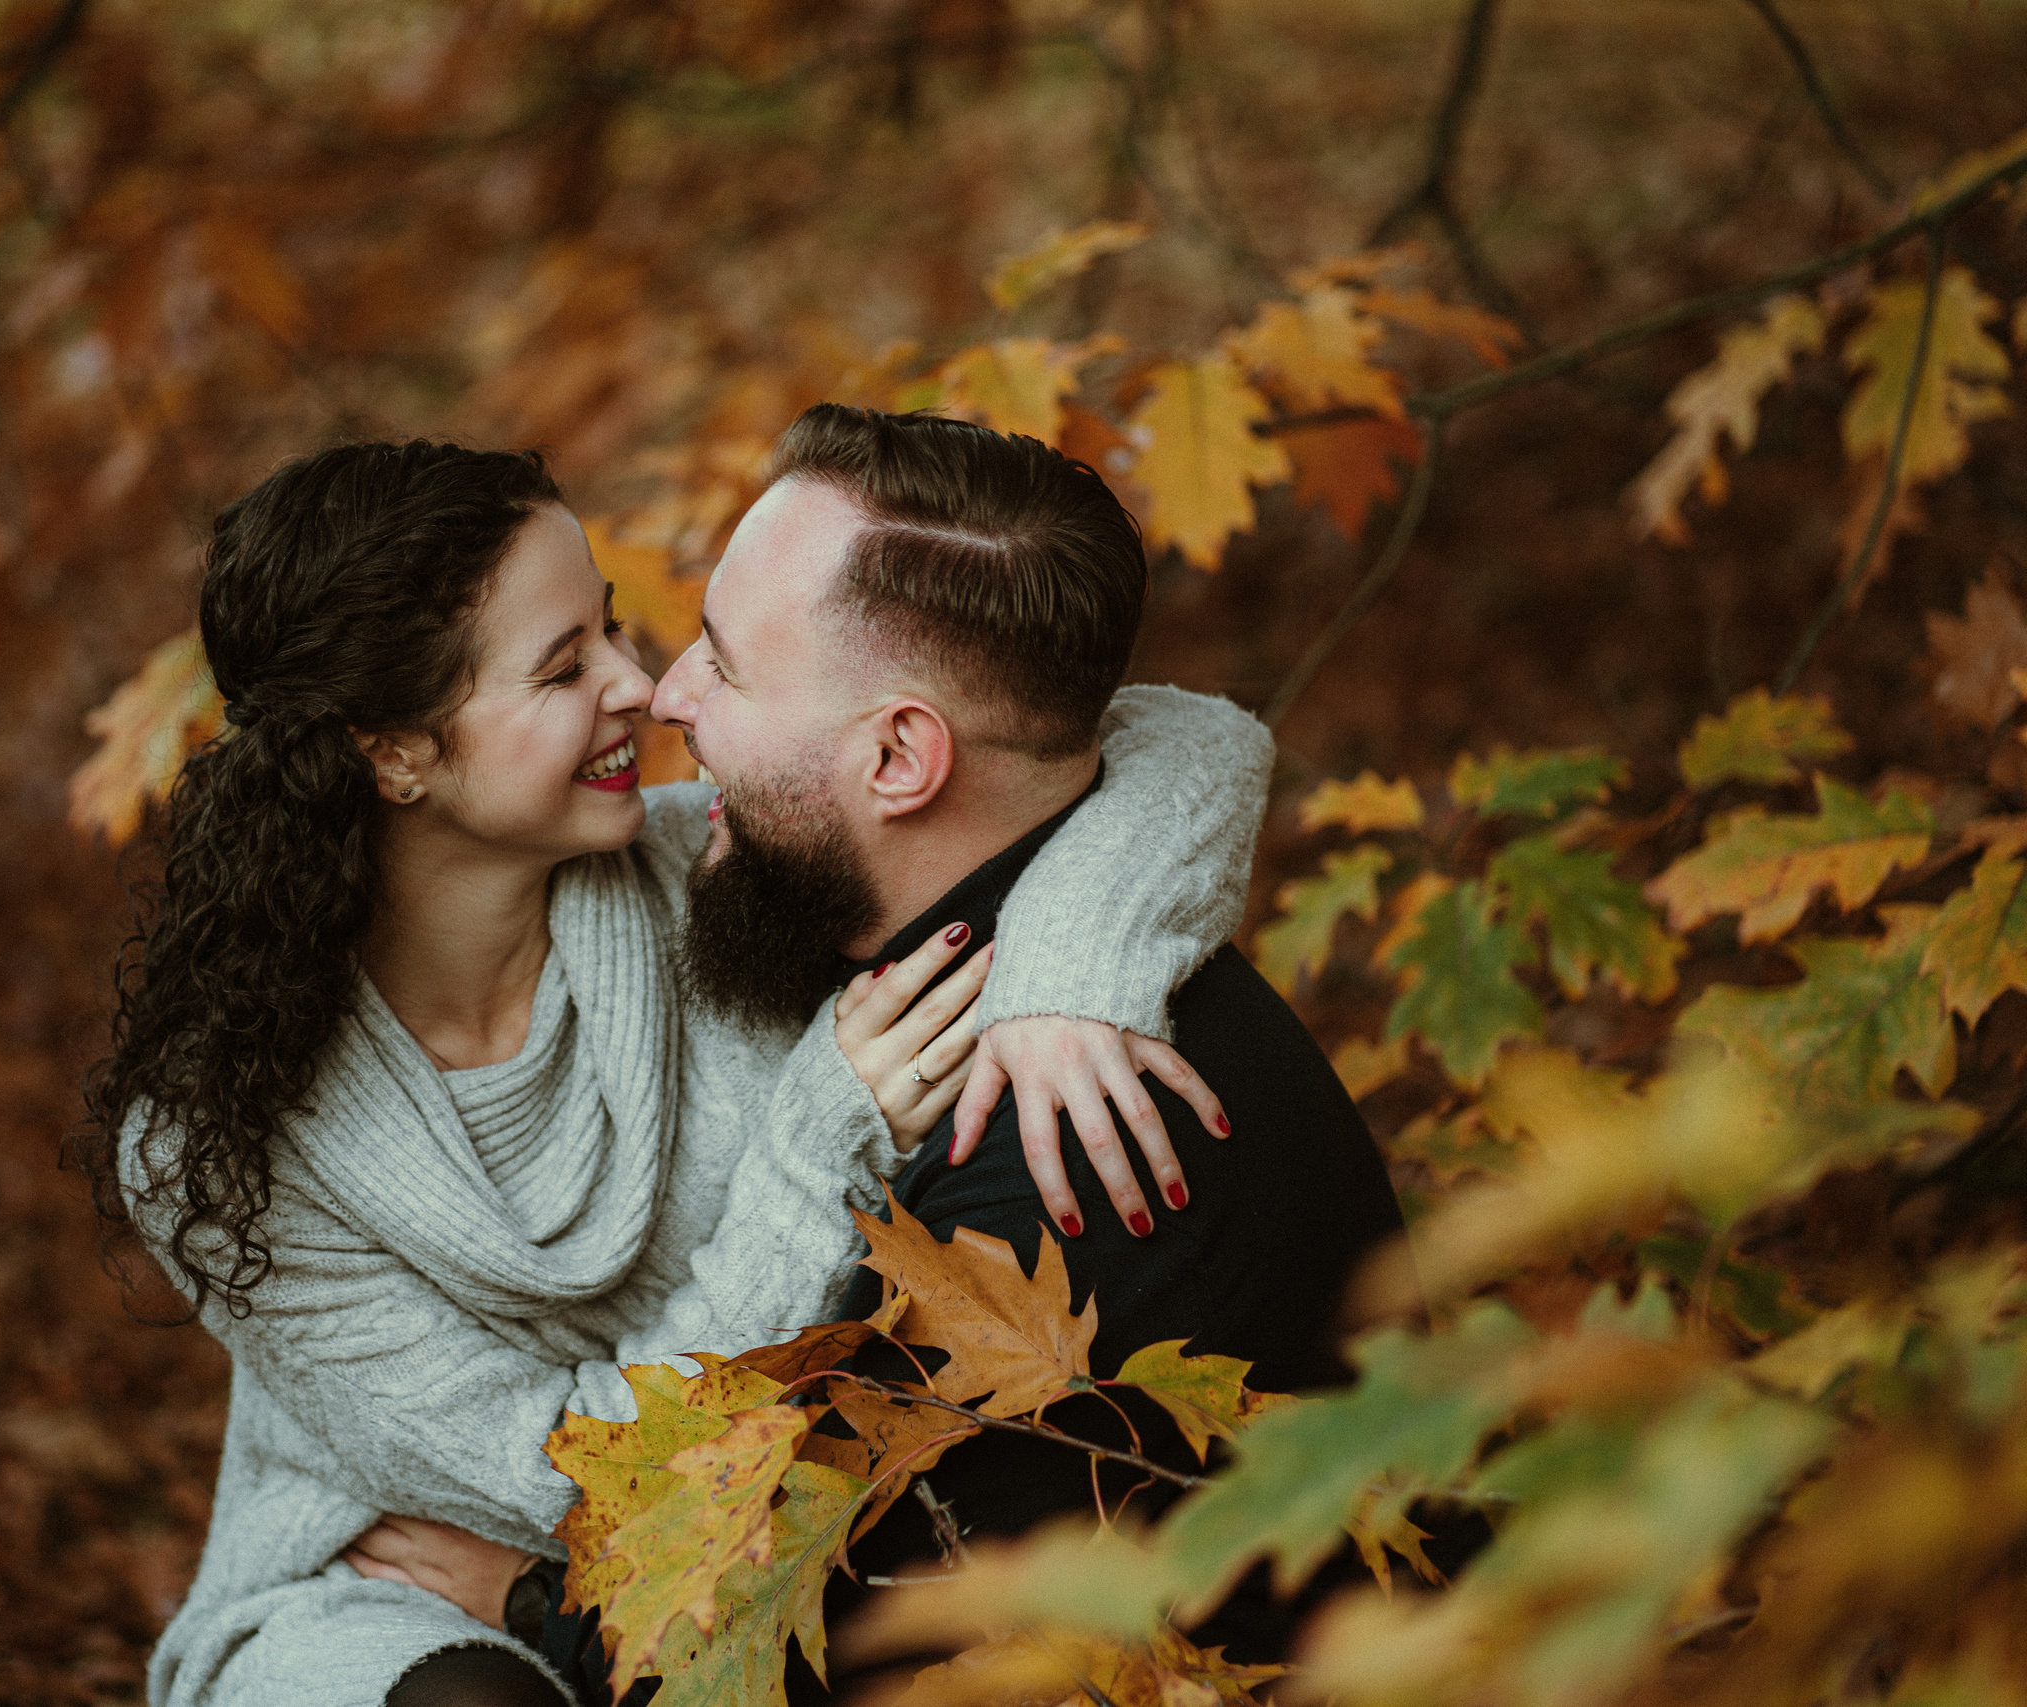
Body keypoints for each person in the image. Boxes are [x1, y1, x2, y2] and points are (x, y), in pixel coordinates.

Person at [79, 437, 1277, 1707]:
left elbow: (1165, 739)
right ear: (393, 753)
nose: (642, 688)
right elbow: (570, 1482)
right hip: (390, 1588)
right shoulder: (219, 1141)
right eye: (561, 668)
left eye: (609, 631)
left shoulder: (715, 876)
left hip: (725, 1564)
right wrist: (818, 1147)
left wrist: (1069, 983)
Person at [353, 406, 1406, 1697]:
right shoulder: (955, 969)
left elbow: (812, 1656)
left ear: (900, 755)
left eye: (727, 667)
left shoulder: (1058, 1146)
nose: (668, 693)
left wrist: (527, 1594)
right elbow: (1165, 731)